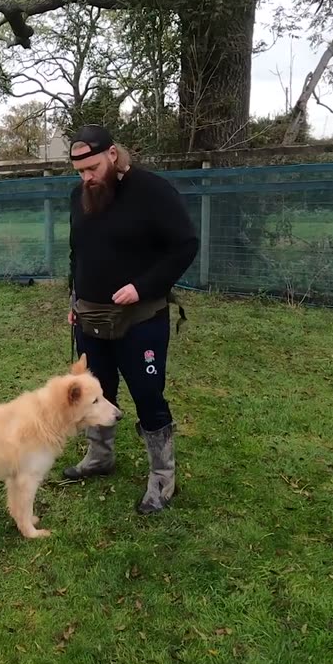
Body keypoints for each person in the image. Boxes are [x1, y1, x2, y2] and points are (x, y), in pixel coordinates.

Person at [62, 124, 199, 515]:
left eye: (92, 168)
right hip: (90, 317)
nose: (87, 178)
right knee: (96, 391)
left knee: (148, 396)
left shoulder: (152, 191)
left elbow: (185, 245)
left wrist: (143, 286)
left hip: (140, 318)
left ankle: (162, 477)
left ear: (112, 155)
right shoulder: (80, 196)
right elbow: (79, 252)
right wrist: (75, 295)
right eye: (79, 172)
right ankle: (100, 457)